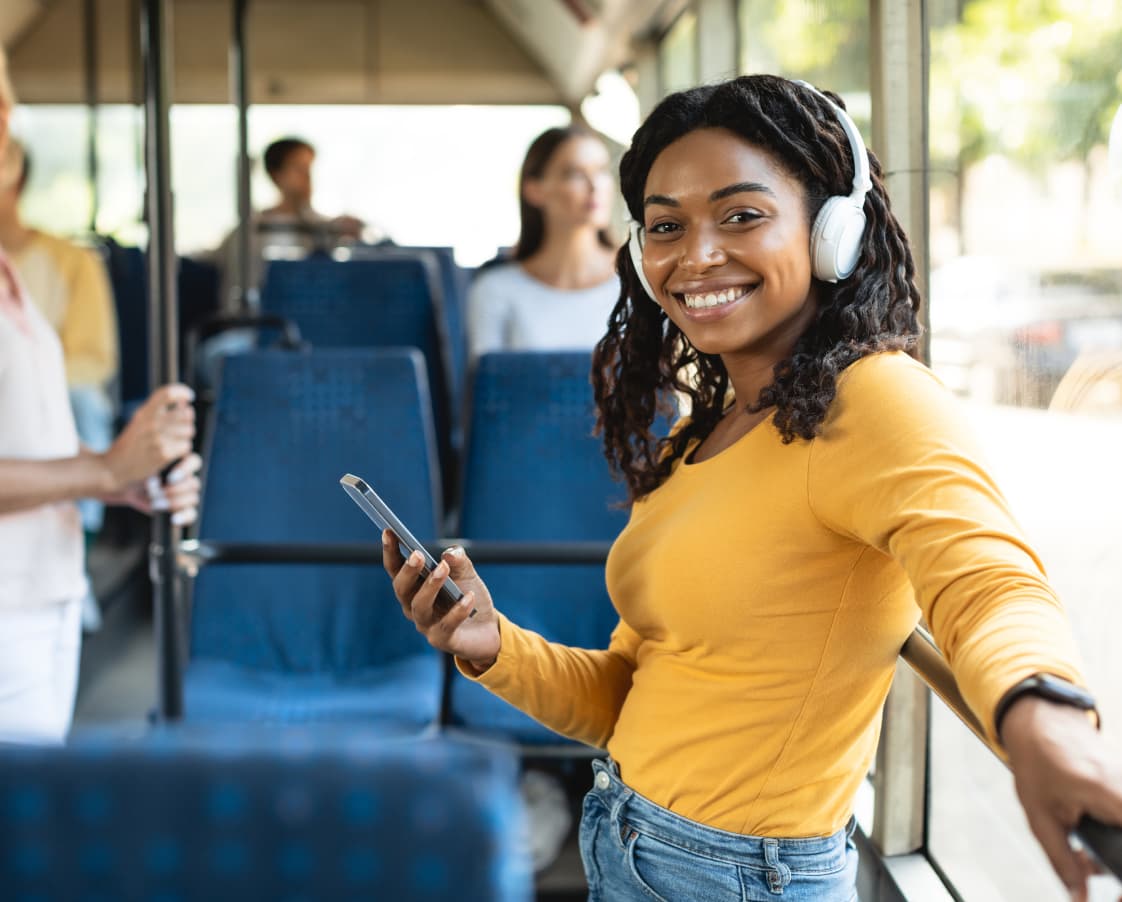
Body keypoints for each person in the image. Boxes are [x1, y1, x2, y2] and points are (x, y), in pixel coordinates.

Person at [383, 75, 1122, 901]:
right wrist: (489, 644)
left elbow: (988, 581)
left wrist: (1044, 717)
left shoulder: (877, 399)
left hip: (737, 880)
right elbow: (633, 694)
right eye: (666, 226)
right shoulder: (707, 425)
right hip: (632, 847)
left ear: (832, 231)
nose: (696, 256)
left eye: (741, 216)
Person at [0, 43, 202, 744]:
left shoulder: (15, 275)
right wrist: (100, 471)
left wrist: (119, 483)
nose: (6, 113)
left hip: (39, 592)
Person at [0, 137, 120, 631]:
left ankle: (80, 560)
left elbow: (93, 357)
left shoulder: (69, 261)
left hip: (50, 394)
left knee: (84, 406)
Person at [467, 125, 619, 361]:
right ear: (534, 190)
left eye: (601, 171)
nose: (594, 186)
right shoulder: (495, 291)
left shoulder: (642, 280)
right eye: (574, 174)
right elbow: (488, 390)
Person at [213, 136, 375, 311]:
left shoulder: (328, 229)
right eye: (299, 169)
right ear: (277, 175)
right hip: (257, 323)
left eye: (310, 169)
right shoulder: (251, 230)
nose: (307, 178)